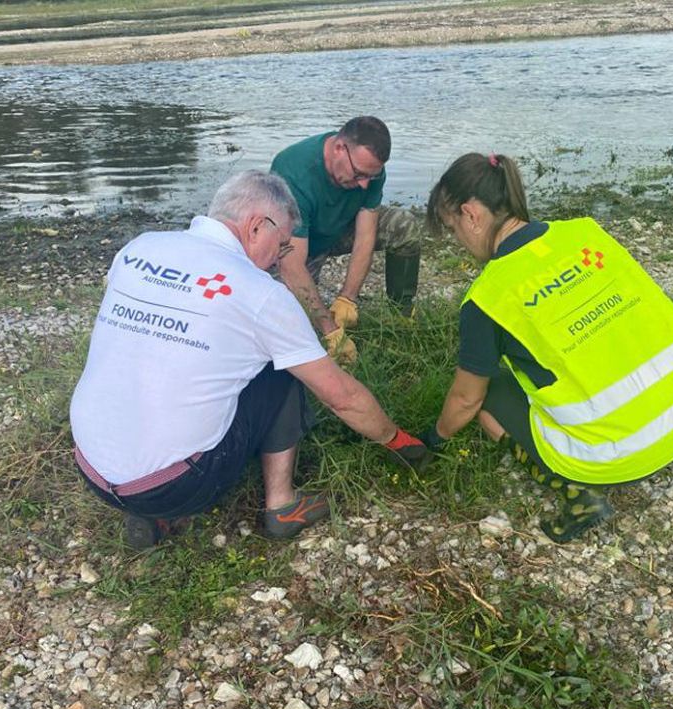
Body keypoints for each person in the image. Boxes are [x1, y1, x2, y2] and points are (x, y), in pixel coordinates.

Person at [69, 170, 429, 549]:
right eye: (283, 244)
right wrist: (398, 440)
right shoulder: (259, 292)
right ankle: (282, 505)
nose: (280, 258)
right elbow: (341, 396)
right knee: (286, 364)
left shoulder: (140, 248)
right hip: (176, 485)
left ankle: (145, 511)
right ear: (257, 226)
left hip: (92, 470)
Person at [420, 153, 673, 543]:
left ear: (471, 215)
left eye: (453, 229)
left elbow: (465, 401)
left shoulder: (488, 299)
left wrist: (435, 438)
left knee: (487, 393)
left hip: (616, 457)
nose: (459, 241)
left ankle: (579, 497)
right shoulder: (588, 234)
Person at [270, 116, 423, 365]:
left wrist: (347, 298)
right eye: (359, 174)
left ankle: (401, 315)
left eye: (371, 177)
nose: (364, 185)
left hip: (340, 228)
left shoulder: (369, 170)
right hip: (300, 244)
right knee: (294, 316)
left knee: (402, 225)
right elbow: (291, 264)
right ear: (339, 148)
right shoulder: (294, 171)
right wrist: (331, 330)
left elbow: (365, 236)